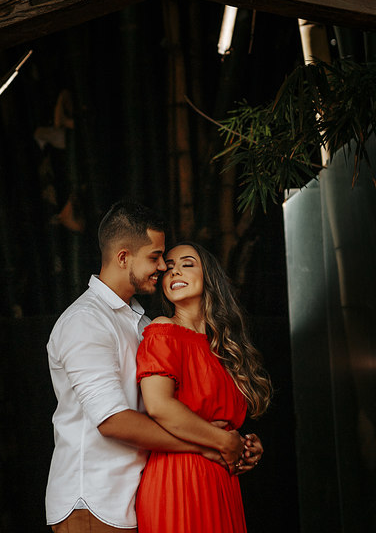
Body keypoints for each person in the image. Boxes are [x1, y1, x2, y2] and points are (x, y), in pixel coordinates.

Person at [45, 202, 257, 532]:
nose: (163, 267)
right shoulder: (86, 321)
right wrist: (214, 443)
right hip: (94, 501)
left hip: (134, 498)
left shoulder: (142, 323)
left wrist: (233, 443)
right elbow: (113, 421)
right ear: (124, 257)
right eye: (156, 257)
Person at [135, 241, 272, 533]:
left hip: (221, 479)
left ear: (209, 277)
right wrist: (224, 441)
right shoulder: (164, 331)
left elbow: (217, 419)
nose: (174, 272)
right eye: (168, 268)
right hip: (179, 477)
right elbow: (159, 407)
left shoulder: (223, 347)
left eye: (187, 263)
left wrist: (245, 445)